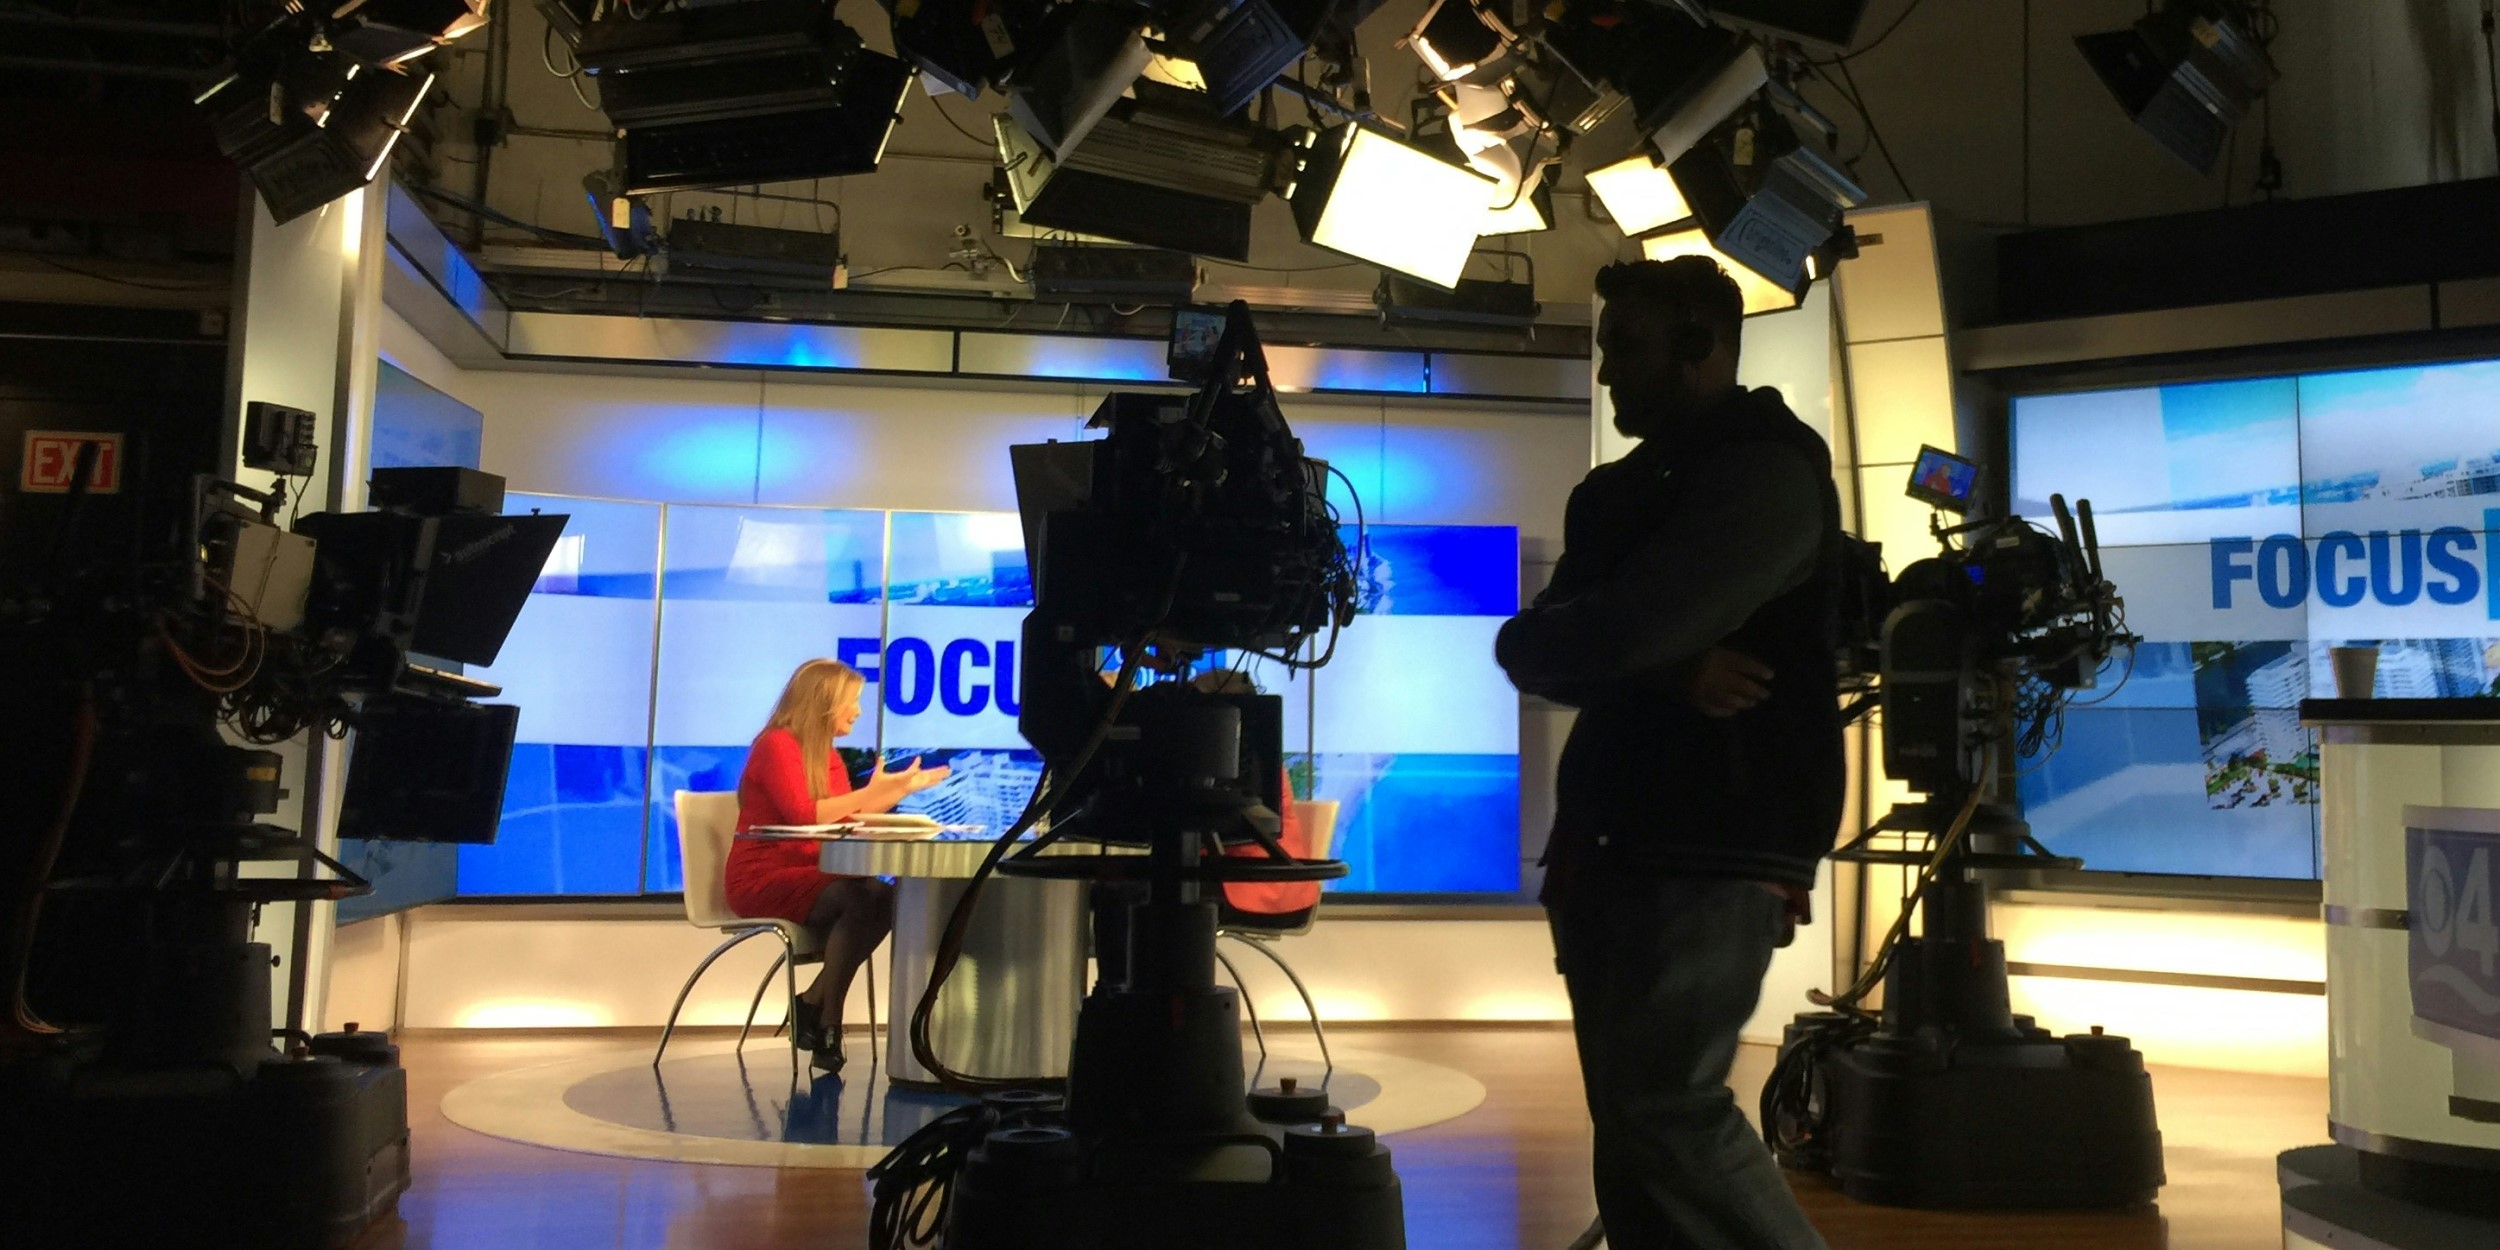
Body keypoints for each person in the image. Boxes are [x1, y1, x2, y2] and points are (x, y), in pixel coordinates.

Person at [1495, 257, 1844, 1250]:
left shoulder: (1764, 470)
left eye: (1625, 349)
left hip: (1711, 840)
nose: (1606, 374)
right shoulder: (1620, 492)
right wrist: (1659, 668)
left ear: (1704, 349)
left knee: (1666, 1111)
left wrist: (1624, 646)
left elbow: (1606, 628)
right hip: (1621, 838)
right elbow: (1535, 645)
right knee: (1635, 1123)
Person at [728, 658, 948, 1071]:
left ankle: (813, 1001)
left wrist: (896, 789)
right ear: (825, 702)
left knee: (885, 894)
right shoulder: (775, 744)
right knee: (858, 898)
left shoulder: (826, 754)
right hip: (763, 876)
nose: (859, 712)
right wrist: (872, 793)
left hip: (814, 874)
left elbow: (840, 818)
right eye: (853, 702)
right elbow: (803, 814)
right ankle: (829, 1020)